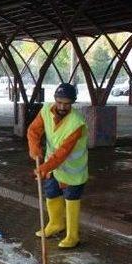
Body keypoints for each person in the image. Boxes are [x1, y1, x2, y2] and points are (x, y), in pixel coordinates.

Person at [27, 83, 88, 248]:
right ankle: (55, 224)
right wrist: (34, 148)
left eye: (66, 103)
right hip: (52, 166)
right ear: (54, 100)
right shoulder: (46, 110)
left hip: (73, 171)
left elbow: (63, 152)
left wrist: (43, 168)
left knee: (71, 199)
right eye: (59, 102)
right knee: (51, 193)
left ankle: (72, 235)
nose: (62, 106)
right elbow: (33, 130)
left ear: (73, 102)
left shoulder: (77, 123)